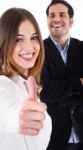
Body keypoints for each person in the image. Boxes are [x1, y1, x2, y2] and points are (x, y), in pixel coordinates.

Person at [0, 7, 52, 150]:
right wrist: (18, 118)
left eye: (33, 38)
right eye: (18, 40)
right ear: (4, 44)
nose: (29, 47)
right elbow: (4, 109)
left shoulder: (29, 87)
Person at [40, 0, 83, 150]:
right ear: (47, 21)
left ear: (71, 21)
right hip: (54, 136)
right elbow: (44, 91)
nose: (56, 19)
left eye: (62, 15)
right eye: (52, 15)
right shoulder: (39, 51)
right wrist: (78, 83)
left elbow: (51, 91)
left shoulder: (82, 48)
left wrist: (58, 94)